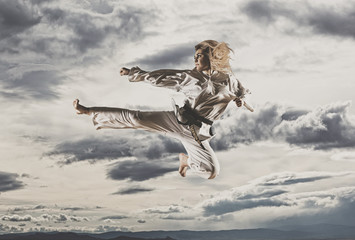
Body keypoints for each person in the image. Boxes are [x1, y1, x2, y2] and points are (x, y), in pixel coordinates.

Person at [73, 40, 251, 180]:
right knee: (137, 118)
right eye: (194, 56)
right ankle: (89, 111)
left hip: (198, 132)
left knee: (211, 172)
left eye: (199, 55)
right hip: (179, 120)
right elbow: (161, 77)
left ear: (211, 57)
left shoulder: (228, 80)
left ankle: (186, 161)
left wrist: (241, 100)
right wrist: (133, 73)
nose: (195, 59)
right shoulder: (190, 77)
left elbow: (243, 92)